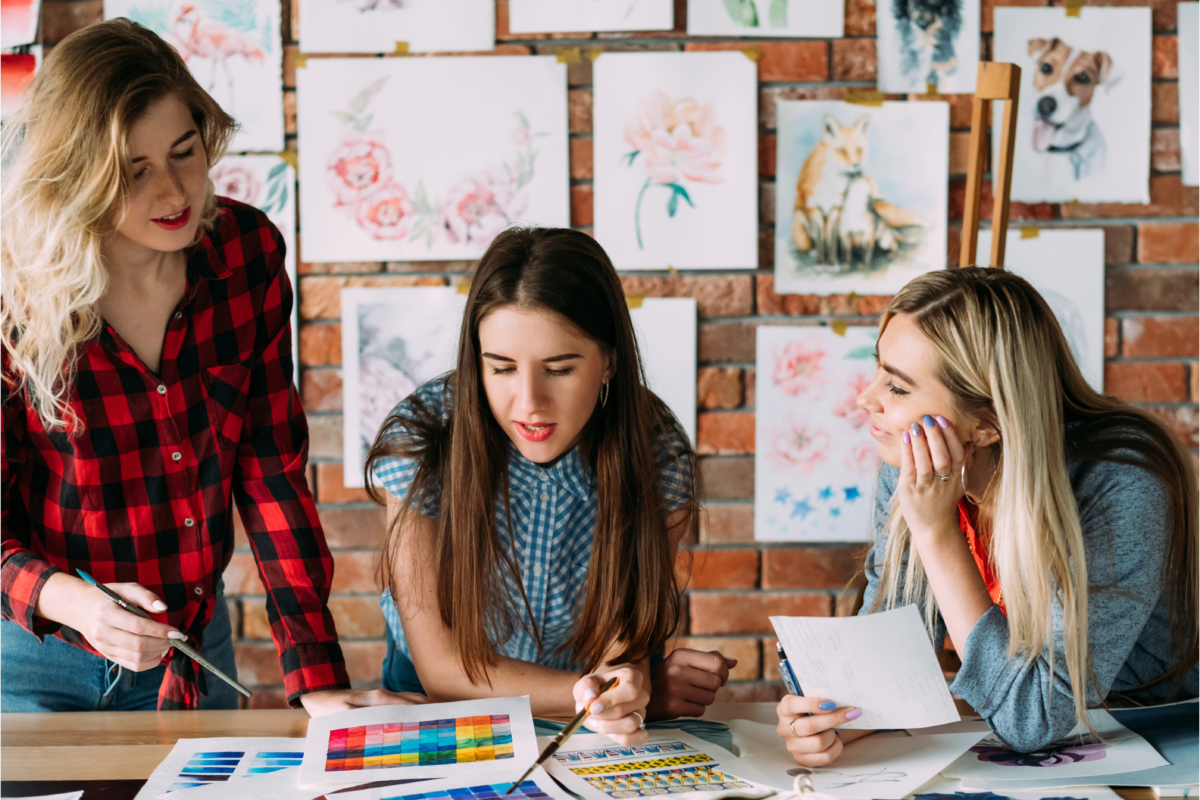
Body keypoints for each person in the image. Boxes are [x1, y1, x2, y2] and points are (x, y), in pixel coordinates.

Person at [0, 19, 421, 715]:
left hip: (190, 650)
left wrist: (317, 680)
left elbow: (272, 470)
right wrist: (71, 601)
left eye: (184, 152)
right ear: (78, 175)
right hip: (35, 661)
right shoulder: (13, 297)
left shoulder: (246, 257)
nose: (174, 193)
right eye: (133, 171)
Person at [776, 267, 1198, 761]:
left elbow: (1035, 718)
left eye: (897, 388)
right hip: (1020, 735)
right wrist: (834, 718)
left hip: (1152, 735)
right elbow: (887, 659)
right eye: (878, 371)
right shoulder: (915, 461)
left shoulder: (1122, 478)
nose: (865, 398)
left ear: (987, 425)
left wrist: (936, 535)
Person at [365, 227, 734, 742]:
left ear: (607, 361)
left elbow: (622, 646)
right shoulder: (422, 436)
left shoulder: (657, 449)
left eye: (559, 369)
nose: (529, 402)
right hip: (442, 688)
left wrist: (627, 684)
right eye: (502, 369)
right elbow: (444, 671)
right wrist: (611, 691)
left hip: (583, 684)